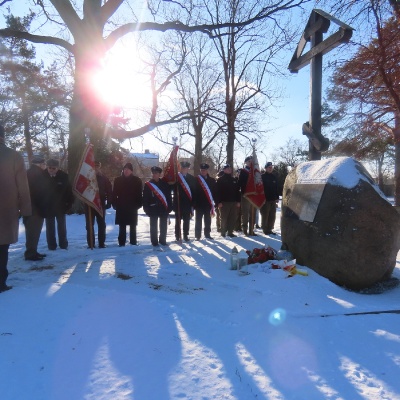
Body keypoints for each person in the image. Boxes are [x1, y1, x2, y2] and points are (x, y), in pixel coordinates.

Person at [0, 125, 31, 292]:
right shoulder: (14, 156)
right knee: (2, 247)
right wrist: (25, 210)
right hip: (6, 210)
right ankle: (0, 282)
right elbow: (23, 187)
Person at [44, 159, 74, 250]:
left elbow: (69, 192)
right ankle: (51, 245)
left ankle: (63, 244)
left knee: (61, 226)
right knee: (50, 227)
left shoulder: (64, 176)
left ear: (58, 168)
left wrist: (68, 204)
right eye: (50, 168)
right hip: (47, 206)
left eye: (54, 168)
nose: (51, 170)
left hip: (61, 206)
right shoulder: (42, 176)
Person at [112, 162, 143, 246]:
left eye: (128, 169)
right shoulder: (118, 180)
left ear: (131, 171)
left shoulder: (137, 180)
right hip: (121, 206)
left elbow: (139, 194)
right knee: (122, 225)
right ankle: (121, 242)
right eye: (125, 169)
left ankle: (133, 241)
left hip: (133, 206)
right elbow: (114, 193)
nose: (126, 171)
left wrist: (139, 204)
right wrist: (114, 203)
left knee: (132, 225)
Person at [24, 155, 48, 261]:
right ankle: (30, 253)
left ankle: (32, 251)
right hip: (35, 208)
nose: (45, 166)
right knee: (33, 231)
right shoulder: (37, 174)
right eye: (44, 164)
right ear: (40, 164)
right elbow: (39, 192)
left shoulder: (29, 173)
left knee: (33, 231)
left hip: (31, 206)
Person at [85, 161, 113, 248]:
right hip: (89, 204)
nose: (96, 168)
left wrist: (109, 202)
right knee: (89, 225)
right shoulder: (87, 177)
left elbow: (109, 190)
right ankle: (91, 243)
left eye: (97, 166)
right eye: (94, 166)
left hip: (100, 204)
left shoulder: (104, 178)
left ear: (99, 167)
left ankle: (101, 243)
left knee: (101, 224)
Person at [143, 166, 172, 246]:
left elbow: (168, 196)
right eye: (153, 173)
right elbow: (145, 198)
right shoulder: (148, 185)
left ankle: (162, 240)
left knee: (163, 225)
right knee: (153, 226)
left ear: (159, 174)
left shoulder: (165, 184)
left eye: (156, 173)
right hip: (153, 208)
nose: (154, 174)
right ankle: (154, 241)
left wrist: (169, 207)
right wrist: (146, 209)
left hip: (163, 207)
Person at [215, 164, 241, 238]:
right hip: (224, 203)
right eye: (227, 168)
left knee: (232, 218)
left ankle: (230, 232)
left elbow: (237, 191)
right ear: (224, 170)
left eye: (230, 168)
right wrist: (219, 202)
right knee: (224, 218)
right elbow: (217, 192)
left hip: (233, 202)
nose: (229, 169)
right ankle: (223, 232)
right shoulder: (220, 180)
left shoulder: (234, 180)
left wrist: (238, 201)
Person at [173, 161, 196, 241]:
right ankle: (177, 235)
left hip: (187, 203)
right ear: (181, 168)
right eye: (183, 168)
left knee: (186, 221)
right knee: (178, 221)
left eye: (186, 168)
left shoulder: (191, 178)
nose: (184, 169)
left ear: (188, 169)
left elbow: (194, 191)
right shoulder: (176, 178)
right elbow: (172, 189)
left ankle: (186, 235)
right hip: (178, 203)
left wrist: (193, 204)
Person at [194, 163, 217, 240]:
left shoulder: (212, 180)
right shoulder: (196, 180)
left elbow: (214, 192)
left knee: (208, 220)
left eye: (205, 170)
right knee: (198, 220)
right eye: (202, 170)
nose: (203, 171)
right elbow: (194, 192)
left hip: (208, 204)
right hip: (199, 204)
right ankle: (197, 235)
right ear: (200, 170)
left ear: (207, 171)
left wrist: (214, 202)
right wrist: (194, 203)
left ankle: (207, 234)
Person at [238, 156, 257, 236]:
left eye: (251, 161)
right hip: (245, 195)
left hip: (253, 195)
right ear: (245, 162)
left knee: (253, 213)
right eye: (249, 161)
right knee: (245, 213)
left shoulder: (255, 172)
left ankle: (251, 230)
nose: (250, 162)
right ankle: (245, 230)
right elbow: (240, 183)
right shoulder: (243, 171)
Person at [260, 162, 280, 235]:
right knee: (265, 215)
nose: (270, 168)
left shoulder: (274, 177)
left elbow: (276, 188)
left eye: (271, 167)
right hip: (265, 199)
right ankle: (265, 229)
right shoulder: (262, 177)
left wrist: (277, 197)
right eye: (269, 167)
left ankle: (270, 228)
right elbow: (260, 188)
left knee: (272, 215)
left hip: (273, 199)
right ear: (266, 168)